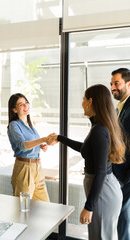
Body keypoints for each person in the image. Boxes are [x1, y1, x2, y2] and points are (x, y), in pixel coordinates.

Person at [47, 84, 125, 240]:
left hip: (104, 191)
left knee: (101, 236)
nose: (81, 103)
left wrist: (88, 207)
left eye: (83, 99)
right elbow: (86, 149)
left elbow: (101, 171)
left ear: (90, 101)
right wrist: (60, 138)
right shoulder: (98, 126)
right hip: (104, 189)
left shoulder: (99, 130)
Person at [7, 93, 50, 201]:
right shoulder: (14, 125)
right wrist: (43, 139)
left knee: (45, 206)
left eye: (26, 102)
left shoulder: (30, 125)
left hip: (37, 168)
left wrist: (40, 146)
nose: (26, 106)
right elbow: (23, 146)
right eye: (21, 104)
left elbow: (30, 143)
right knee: (23, 209)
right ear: (14, 110)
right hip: (24, 168)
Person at [110, 68, 130, 240]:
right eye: (111, 84)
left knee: (122, 215)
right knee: (122, 216)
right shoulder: (119, 107)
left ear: (128, 84)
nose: (113, 87)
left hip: (127, 174)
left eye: (117, 83)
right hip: (119, 172)